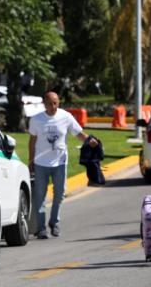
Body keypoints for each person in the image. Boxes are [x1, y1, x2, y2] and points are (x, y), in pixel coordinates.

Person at [28, 91, 99, 238]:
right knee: (40, 196)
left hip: (60, 162)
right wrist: (31, 160)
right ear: (44, 104)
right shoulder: (36, 120)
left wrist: (89, 140)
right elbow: (32, 140)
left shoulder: (65, 117)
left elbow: (78, 133)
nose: (52, 106)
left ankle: (54, 222)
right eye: (49, 103)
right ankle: (41, 228)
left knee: (59, 194)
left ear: (58, 103)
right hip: (41, 163)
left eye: (55, 103)